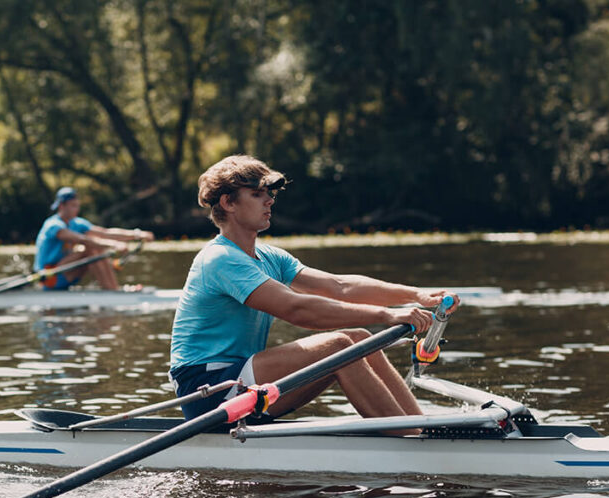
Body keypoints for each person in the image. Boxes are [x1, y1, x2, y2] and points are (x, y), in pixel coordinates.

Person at [169, 154, 460, 430]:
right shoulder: (220, 258)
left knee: (360, 339)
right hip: (207, 391)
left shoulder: (269, 256)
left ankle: (418, 427)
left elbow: (339, 286)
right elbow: (297, 309)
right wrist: (387, 315)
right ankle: (413, 445)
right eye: (257, 194)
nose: (270, 200)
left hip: (242, 379)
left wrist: (416, 295)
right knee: (339, 346)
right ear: (228, 203)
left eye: (270, 194)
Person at [34, 187, 154, 290]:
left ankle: (113, 288)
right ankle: (112, 291)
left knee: (96, 249)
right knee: (89, 248)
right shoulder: (53, 225)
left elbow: (106, 233)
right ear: (61, 206)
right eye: (73, 206)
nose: (77, 209)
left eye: (77, 206)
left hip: (66, 273)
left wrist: (137, 234)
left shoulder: (77, 223)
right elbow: (83, 240)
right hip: (49, 277)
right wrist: (114, 245)